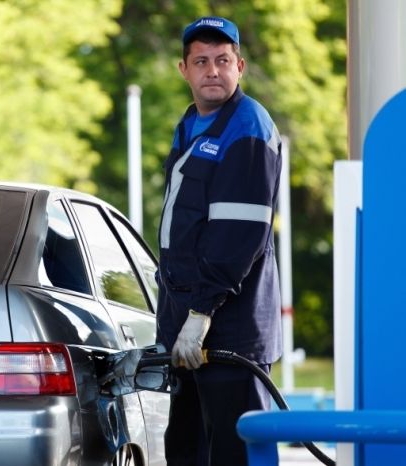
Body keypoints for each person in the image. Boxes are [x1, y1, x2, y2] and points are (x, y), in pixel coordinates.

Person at [156, 16, 283, 466]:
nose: (213, 70)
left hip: (227, 332)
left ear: (241, 66)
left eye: (223, 60)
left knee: (234, 455)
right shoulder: (192, 123)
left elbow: (238, 233)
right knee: (189, 450)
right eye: (202, 61)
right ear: (184, 70)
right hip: (190, 331)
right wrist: (176, 322)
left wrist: (202, 311)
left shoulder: (247, 126)